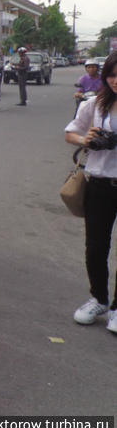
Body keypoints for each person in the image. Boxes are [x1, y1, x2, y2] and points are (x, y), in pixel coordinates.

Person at [64, 52, 117, 334]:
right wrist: (84, 139)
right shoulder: (94, 104)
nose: (116, 81)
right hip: (99, 185)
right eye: (112, 75)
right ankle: (98, 299)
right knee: (96, 247)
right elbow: (70, 133)